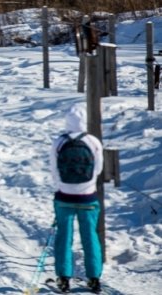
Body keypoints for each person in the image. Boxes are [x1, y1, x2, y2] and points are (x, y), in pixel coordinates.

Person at [50, 104, 104, 294]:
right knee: (90, 236)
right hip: (88, 197)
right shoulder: (93, 142)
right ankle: (94, 278)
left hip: (64, 196)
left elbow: (54, 170)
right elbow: (97, 170)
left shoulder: (58, 142)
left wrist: (61, 188)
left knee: (64, 236)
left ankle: (64, 278)